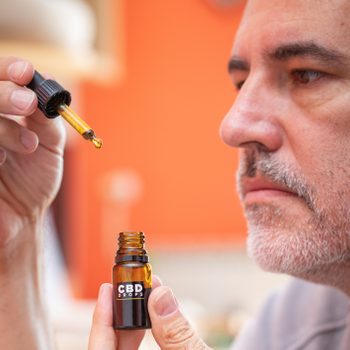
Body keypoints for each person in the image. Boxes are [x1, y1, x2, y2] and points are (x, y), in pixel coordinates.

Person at [1, 0, 350, 348]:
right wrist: (19, 237)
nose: (232, 126)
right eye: (241, 82)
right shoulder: (295, 322)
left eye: (306, 74)